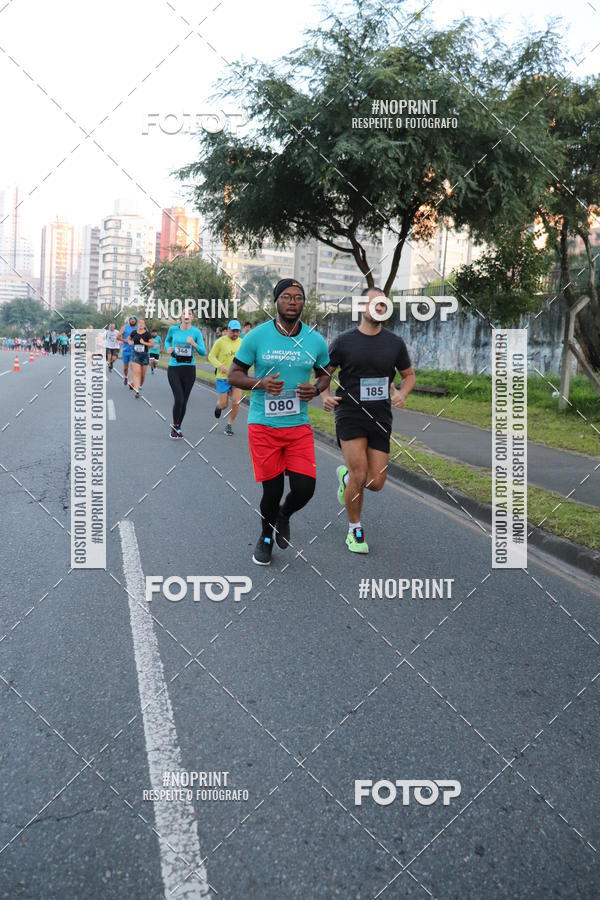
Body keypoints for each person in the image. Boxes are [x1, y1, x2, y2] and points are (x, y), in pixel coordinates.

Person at [228, 278, 330, 566]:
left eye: (298, 297)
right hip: (263, 424)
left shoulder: (314, 339)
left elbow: (325, 373)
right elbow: (233, 375)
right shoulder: (257, 337)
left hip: (297, 425)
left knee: (304, 489)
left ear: (303, 303)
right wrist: (260, 383)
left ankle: (284, 514)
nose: (292, 302)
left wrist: (318, 388)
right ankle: (266, 538)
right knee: (271, 491)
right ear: (276, 301)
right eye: (286, 296)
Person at [320, 286, 415, 554]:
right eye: (374, 303)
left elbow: (408, 375)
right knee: (361, 474)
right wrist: (324, 395)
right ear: (362, 306)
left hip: (381, 416)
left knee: (376, 482)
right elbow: (324, 373)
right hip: (349, 413)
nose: (378, 308)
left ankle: (345, 477)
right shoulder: (343, 341)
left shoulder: (395, 343)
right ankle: (355, 530)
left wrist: (402, 393)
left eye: (383, 305)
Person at [164, 311, 206, 439]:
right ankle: (175, 427)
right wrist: (168, 348)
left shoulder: (196, 332)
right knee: (179, 399)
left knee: (184, 401)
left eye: (189, 313)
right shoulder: (173, 330)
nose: (186, 316)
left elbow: (203, 352)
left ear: (192, 317)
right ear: (181, 316)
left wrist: (194, 344)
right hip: (174, 368)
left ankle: (178, 426)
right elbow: (167, 342)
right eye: (183, 313)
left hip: (189, 370)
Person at [207, 319, 243, 435]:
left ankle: (229, 425)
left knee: (236, 402)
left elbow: (247, 357)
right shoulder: (220, 342)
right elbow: (211, 356)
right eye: (233, 331)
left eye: (237, 331)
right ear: (228, 330)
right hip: (222, 377)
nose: (235, 334)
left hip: (237, 377)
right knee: (224, 404)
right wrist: (219, 365)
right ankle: (218, 406)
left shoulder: (242, 342)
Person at [126, 318, 153, 398]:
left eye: (142, 323)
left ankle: (139, 386)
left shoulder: (147, 334)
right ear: (138, 325)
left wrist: (143, 342)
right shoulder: (134, 332)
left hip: (144, 355)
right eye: (140, 323)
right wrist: (130, 342)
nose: (141, 324)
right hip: (135, 354)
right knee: (137, 373)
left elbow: (152, 344)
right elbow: (128, 339)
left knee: (142, 375)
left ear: (144, 325)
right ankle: (137, 390)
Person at [117, 315, 138, 388]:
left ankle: (132, 382)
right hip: (126, 350)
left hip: (135, 351)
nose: (132, 320)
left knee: (133, 367)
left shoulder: (139, 328)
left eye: (134, 319)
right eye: (131, 319)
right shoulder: (124, 327)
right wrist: (126, 340)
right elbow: (118, 337)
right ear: (129, 320)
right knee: (125, 368)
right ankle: (126, 376)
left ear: (136, 320)